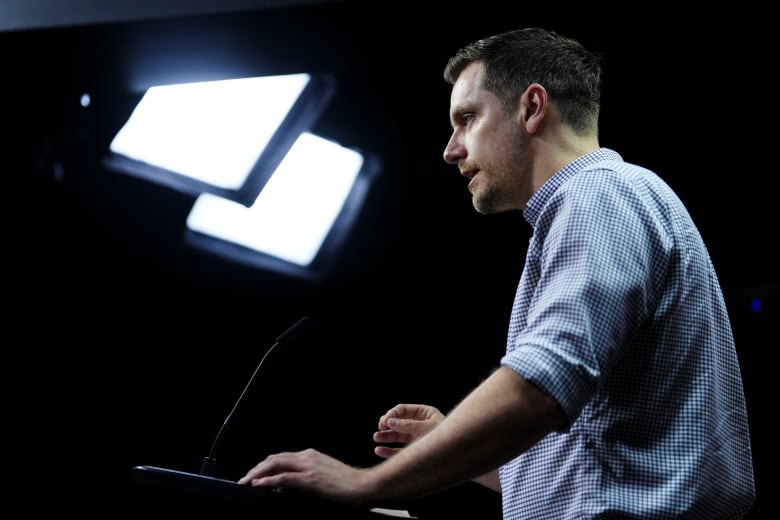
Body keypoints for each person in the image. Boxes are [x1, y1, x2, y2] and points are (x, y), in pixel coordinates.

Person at [238, 27, 756, 518]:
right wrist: (456, 443)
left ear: (532, 107)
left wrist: (360, 483)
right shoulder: (599, 203)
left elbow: (539, 389)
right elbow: (584, 462)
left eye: (466, 118)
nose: (450, 149)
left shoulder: (599, 194)